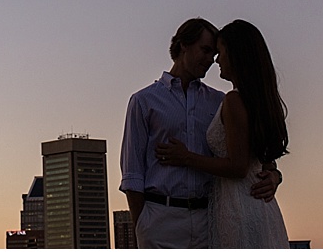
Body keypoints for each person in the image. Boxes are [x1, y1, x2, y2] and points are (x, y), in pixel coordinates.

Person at [120, 18, 282, 248]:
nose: (211, 60)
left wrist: (275, 176)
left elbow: (254, 153)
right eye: (205, 50)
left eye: (215, 53)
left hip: (211, 219)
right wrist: (142, 226)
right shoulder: (143, 101)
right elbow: (132, 173)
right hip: (161, 220)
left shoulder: (221, 101)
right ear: (184, 45)